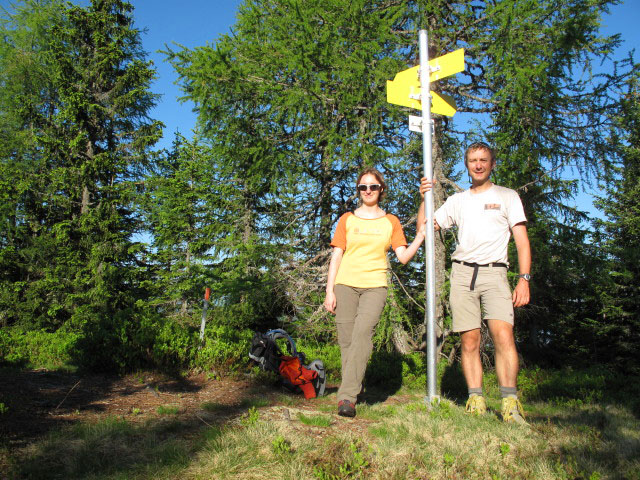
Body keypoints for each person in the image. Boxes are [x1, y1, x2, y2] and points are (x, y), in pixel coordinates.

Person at [418, 142, 531, 424]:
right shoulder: (458, 201)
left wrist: (524, 280)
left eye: (483, 160)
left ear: (492, 163)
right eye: (472, 160)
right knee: (469, 341)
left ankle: (509, 404)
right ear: (467, 165)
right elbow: (425, 228)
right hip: (463, 274)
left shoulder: (507, 196)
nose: (478, 165)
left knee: (503, 337)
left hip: (495, 273)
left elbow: (522, 242)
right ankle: (476, 399)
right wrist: (425, 198)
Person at [324, 167, 425, 417]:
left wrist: (420, 237)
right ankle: (352, 392)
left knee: (362, 334)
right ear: (358, 190)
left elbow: (402, 257)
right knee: (347, 342)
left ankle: (346, 397)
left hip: (375, 286)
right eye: (363, 187)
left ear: (381, 190)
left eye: (373, 186)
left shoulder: (390, 221)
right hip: (345, 284)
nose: (368, 191)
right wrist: (329, 291)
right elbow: (337, 256)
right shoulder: (347, 219)